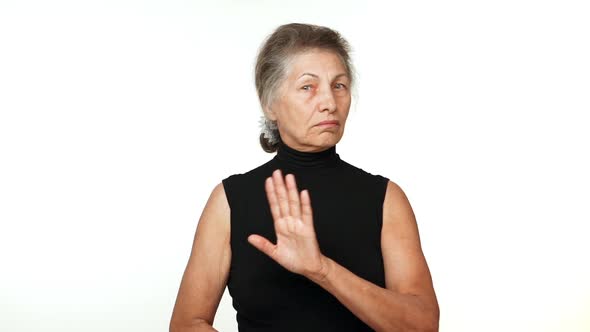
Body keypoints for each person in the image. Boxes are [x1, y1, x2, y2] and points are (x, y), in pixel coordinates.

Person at [170, 23, 439, 332]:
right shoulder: (230, 201)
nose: (329, 102)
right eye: (307, 87)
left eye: (339, 85)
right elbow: (186, 324)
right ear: (270, 103)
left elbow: (423, 325)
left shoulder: (386, 198)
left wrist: (321, 269)